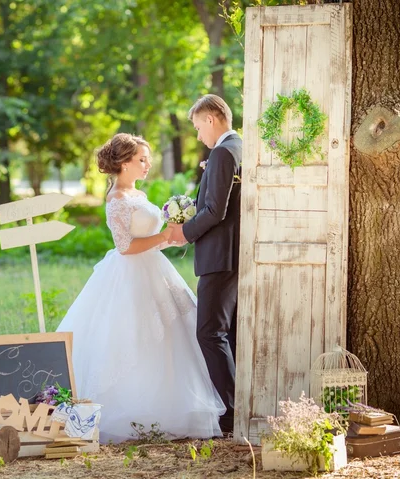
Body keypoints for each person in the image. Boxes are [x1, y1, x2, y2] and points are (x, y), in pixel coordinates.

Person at [57, 132, 225, 444]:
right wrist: (164, 236)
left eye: (148, 159)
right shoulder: (117, 199)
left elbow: (149, 241)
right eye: (141, 160)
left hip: (154, 270)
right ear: (123, 163)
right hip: (129, 277)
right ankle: (134, 412)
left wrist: (174, 233)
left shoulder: (137, 194)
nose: (147, 165)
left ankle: (172, 407)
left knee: (174, 335)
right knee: (135, 338)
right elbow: (125, 247)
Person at [168, 95, 242, 433]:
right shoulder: (239, 148)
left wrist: (184, 232)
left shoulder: (224, 152)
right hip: (228, 254)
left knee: (209, 332)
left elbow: (215, 210)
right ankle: (236, 407)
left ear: (212, 119)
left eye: (199, 128)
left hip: (220, 256)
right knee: (226, 332)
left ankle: (230, 412)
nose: (199, 136)